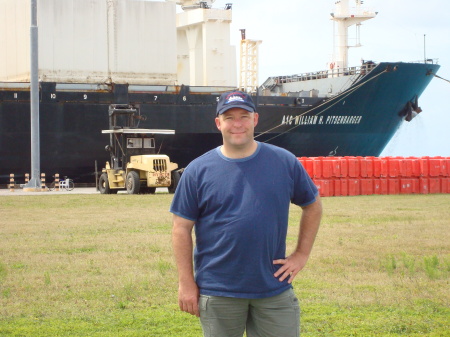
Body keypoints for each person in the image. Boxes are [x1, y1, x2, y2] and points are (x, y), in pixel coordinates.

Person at [170, 90, 322, 337]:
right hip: (218, 290)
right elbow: (181, 229)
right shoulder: (198, 170)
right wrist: (186, 282)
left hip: (273, 288)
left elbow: (313, 206)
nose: (237, 124)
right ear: (218, 123)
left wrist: (301, 254)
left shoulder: (284, 162)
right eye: (229, 117)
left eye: (244, 116)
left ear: (256, 119)